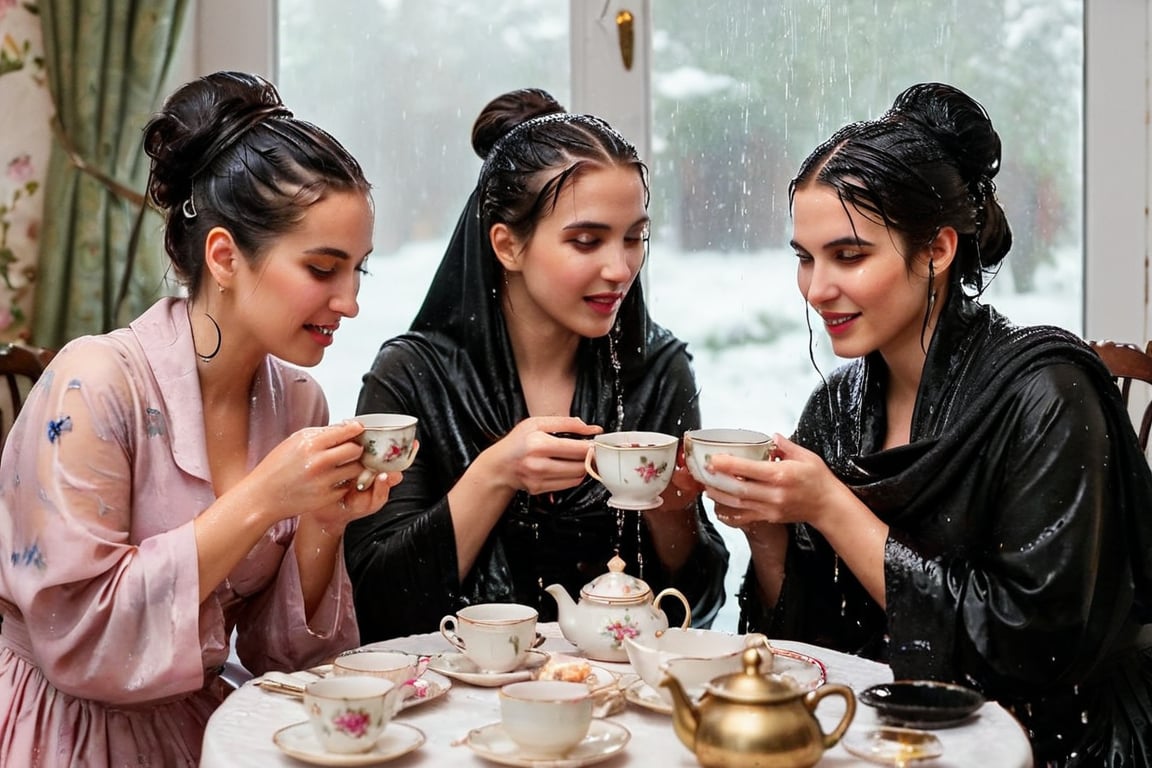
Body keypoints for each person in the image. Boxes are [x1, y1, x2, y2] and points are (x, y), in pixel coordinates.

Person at [694, 82, 1152, 766]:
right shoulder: (837, 409)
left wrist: (831, 507)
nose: (817, 289)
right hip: (882, 731)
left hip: (1056, 742)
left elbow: (1031, 651)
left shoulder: (1047, 396)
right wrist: (768, 534)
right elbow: (812, 652)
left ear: (936, 249)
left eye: (848, 256)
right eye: (804, 257)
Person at [0, 71, 401, 767]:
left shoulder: (299, 403)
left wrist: (323, 523)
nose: (349, 303)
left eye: (358, 272)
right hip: (64, 731)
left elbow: (285, 657)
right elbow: (77, 639)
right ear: (224, 256)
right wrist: (263, 498)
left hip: (205, 727)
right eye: (321, 268)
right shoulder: (94, 385)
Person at [345, 88, 729, 641]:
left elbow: (697, 609)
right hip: (454, 707)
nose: (620, 268)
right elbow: (377, 605)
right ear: (507, 246)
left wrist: (673, 513)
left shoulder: (657, 371)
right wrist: (495, 474)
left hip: (618, 704)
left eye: (634, 238)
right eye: (586, 241)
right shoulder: (412, 377)